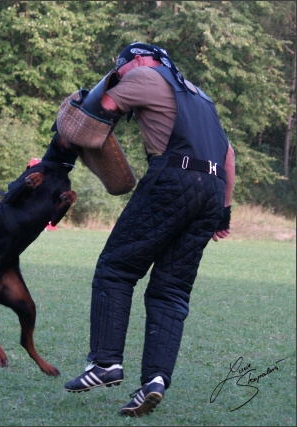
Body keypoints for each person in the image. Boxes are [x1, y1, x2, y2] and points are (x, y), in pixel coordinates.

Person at [63, 42, 236, 416]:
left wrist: (81, 105)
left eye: (120, 69)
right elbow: (229, 156)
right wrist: (224, 211)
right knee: (171, 290)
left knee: (116, 267)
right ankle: (155, 381)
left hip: (173, 178)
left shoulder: (143, 74)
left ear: (139, 60)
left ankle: (106, 362)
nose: (120, 76)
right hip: (212, 190)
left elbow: (101, 110)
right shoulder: (201, 96)